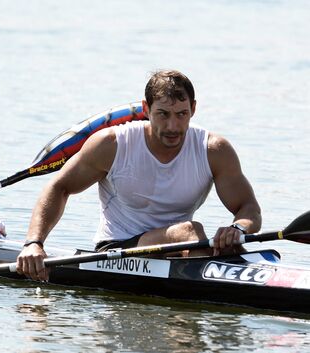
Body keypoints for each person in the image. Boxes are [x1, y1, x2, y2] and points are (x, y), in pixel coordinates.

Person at [16, 70, 262, 281]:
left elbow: (249, 208)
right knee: (190, 232)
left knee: (226, 244)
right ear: (146, 109)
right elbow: (59, 187)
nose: (173, 126)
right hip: (116, 252)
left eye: (181, 114)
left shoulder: (213, 150)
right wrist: (34, 243)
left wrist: (237, 228)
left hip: (181, 248)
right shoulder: (112, 144)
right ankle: (212, 290)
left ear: (194, 109)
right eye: (163, 114)